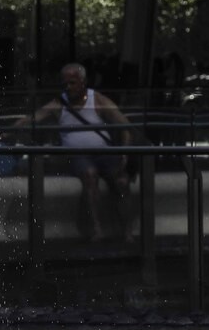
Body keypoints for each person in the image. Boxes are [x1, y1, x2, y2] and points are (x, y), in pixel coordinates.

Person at [16, 63, 134, 241]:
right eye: (65, 84)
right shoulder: (59, 103)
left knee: (122, 181)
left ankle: (127, 232)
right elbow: (31, 119)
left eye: (72, 83)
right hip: (78, 156)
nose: (68, 88)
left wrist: (125, 153)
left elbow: (125, 125)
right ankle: (96, 230)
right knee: (89, 175)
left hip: (104, 153)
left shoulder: (98, 100)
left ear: (83, 82)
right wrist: (2, 133)